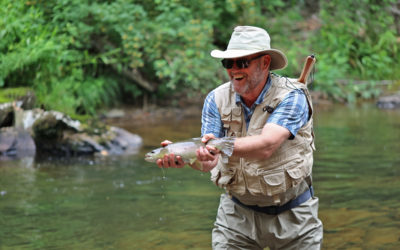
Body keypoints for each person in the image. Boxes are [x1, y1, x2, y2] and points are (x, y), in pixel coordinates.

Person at [157, 26, 323, 250]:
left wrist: (217, 145)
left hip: (295, 217)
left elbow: (266, 145)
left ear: (265, 63)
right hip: (236, 217)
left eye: (242, 62)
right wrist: (187, 157)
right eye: (228, 63)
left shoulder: (292, 97)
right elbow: (209, 162)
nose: (234, 69)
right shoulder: (215, 100)